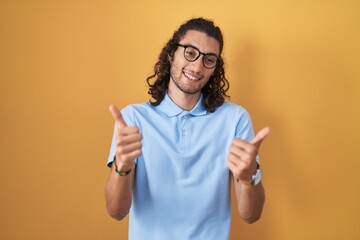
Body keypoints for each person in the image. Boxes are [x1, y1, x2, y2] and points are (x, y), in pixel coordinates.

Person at [105, 17, 270, 240]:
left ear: (215, 68)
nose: (197, 66)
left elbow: (251, 215)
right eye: (190, 53)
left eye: (209, 59)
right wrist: (121, 166)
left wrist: (250, 176)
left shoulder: (235, 119)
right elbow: (116, 212)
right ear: (171, 53)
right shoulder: (133, 118)